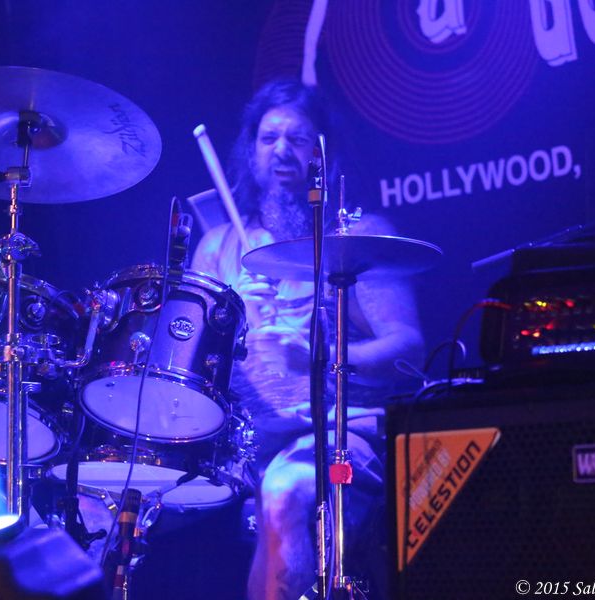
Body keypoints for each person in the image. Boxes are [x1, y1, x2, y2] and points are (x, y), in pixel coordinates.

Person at [191, 79, 424, 599]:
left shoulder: (357, 237)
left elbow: (407, 348)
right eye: (269, 138)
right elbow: (194, 361)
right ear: (251, 152)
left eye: (297, 139)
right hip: (243, 444)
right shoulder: (218, 248)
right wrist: (234, 328)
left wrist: (320, 359)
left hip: (340, 434)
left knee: (285, 491)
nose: (282, 151)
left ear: (322, 152)